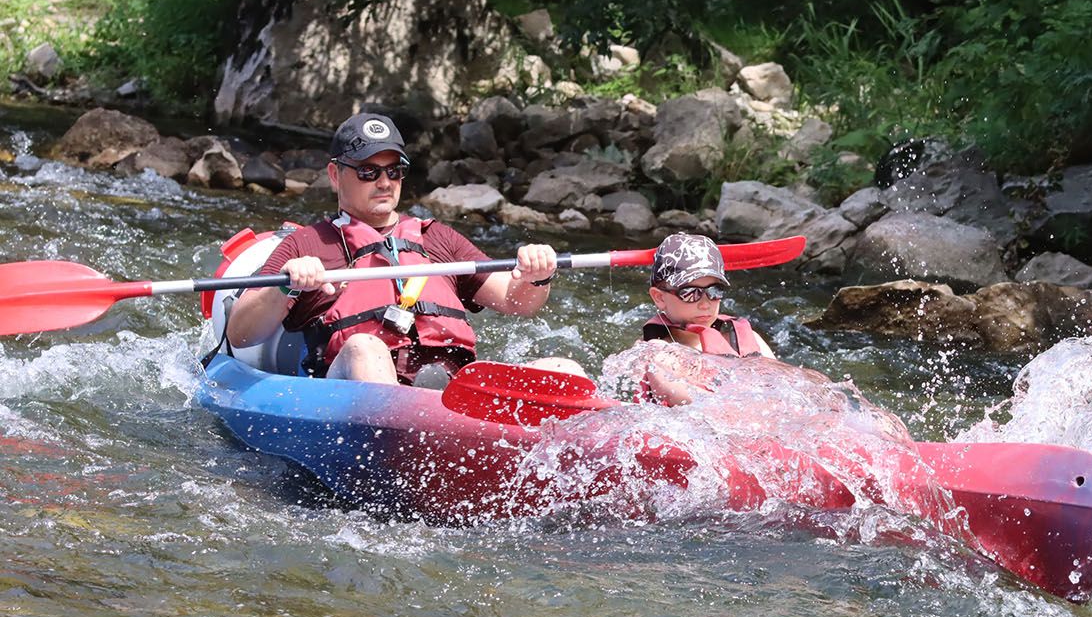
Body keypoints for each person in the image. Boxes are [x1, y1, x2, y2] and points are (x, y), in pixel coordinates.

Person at [226, 112, 579, 386]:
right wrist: (285, 285)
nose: (384, 182)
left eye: (394, 171)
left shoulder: (438, 239)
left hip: (452, 390)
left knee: (565, 368)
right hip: (352, 392)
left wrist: (537, 275)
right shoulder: (307, 244)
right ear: (335, 174)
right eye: (368, 171)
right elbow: (241, 333)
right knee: (366, 347)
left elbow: (515, 301)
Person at [637, 233, 775, 405]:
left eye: (714, 291)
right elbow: (685, 399)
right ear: (659, 298)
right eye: (690, 293)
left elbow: (785, 386)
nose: (705, 304)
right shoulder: (657, 354)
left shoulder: (748, 340)